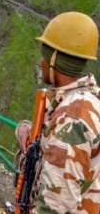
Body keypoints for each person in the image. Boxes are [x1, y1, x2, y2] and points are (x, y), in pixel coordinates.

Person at [15, 12, 100, 213]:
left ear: (54, 60)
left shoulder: (70, 122)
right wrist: (29, 129)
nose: (40, 63)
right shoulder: (88, 99)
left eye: (44, 57)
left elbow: (55, 208)